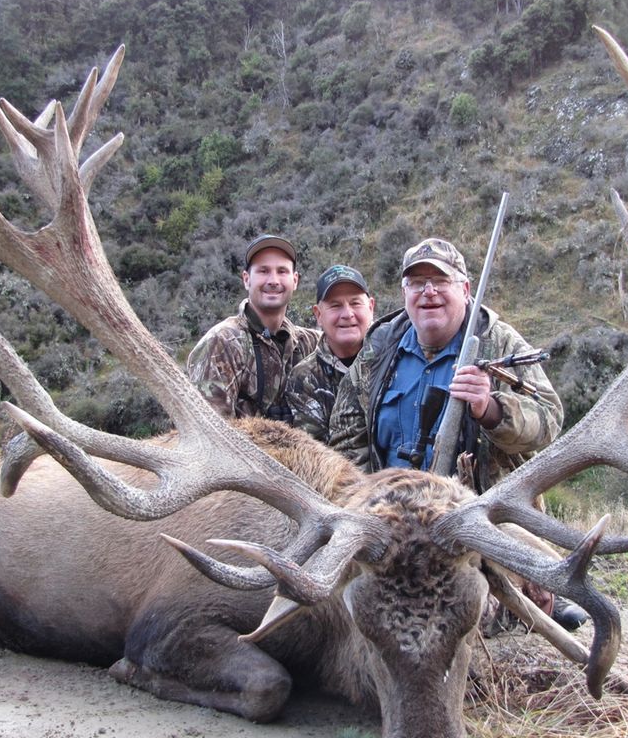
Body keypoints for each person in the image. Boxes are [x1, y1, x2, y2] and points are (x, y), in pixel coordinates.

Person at [329, 236, 586, 630]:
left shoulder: (498, 340)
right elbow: (346, 439)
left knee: (467, 616)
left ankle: (529, 592)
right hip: (392, 526)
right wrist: (367, 510)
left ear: (465, 289)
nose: (428, 292)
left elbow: (550, 419)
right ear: (404, 292)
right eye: (417, 283)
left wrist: (491, 409)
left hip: (475, 527)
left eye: (440, 281)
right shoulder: (380, 346)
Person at [186, 234, 319, 423]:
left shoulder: (308, 343)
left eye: (282, 271)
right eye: (263, 271)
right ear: (246, 279)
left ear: (295, 280)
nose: (273, 280)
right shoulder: (222, 343)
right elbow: (209, 430)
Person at [286, 264, 376, 443]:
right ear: (318, 315)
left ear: (371, 307)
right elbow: (314, 451)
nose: (347, 314)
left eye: (355, 303)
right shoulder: (304, 379)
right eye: (335, 306)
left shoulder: (393, 357)